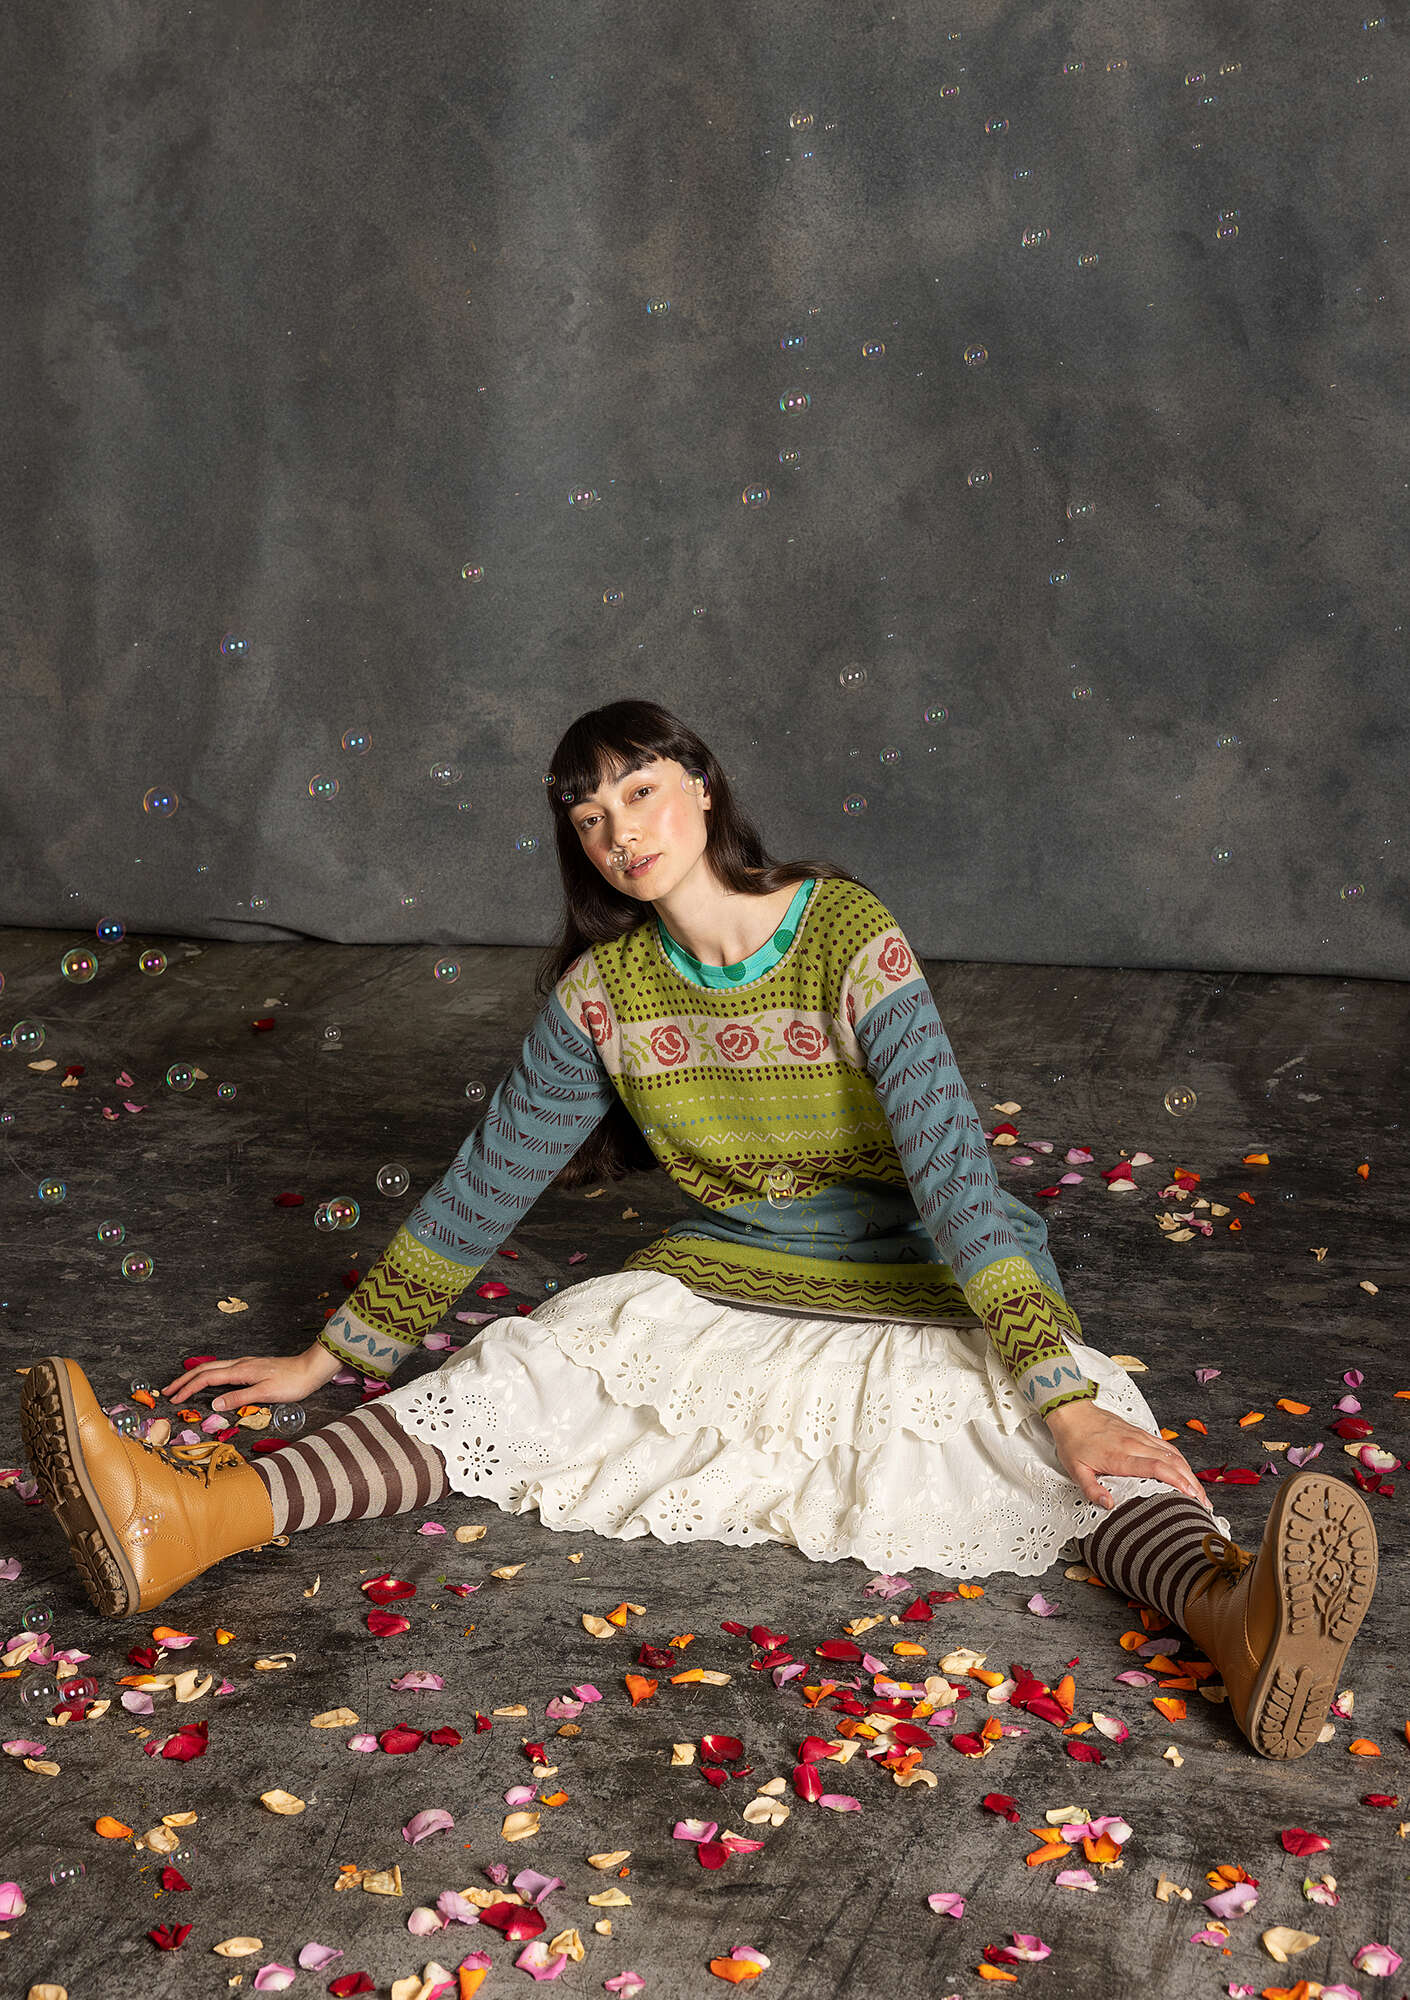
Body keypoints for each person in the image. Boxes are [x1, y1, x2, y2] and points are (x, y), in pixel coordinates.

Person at [22, 700, 1377, 1761]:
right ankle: (194, 1517)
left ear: (703, 787)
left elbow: (956, 1179)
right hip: (732, 1274)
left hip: (925, 1264)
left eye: (639, 790)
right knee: (523, 1372)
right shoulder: (604, 994)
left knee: (1060, 1435)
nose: (618, 831)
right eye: (587, 815)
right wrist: (329, 1358)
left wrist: (1060, 1395)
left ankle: (1231, 1614)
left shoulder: (844, 933)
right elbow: (489, 1180)